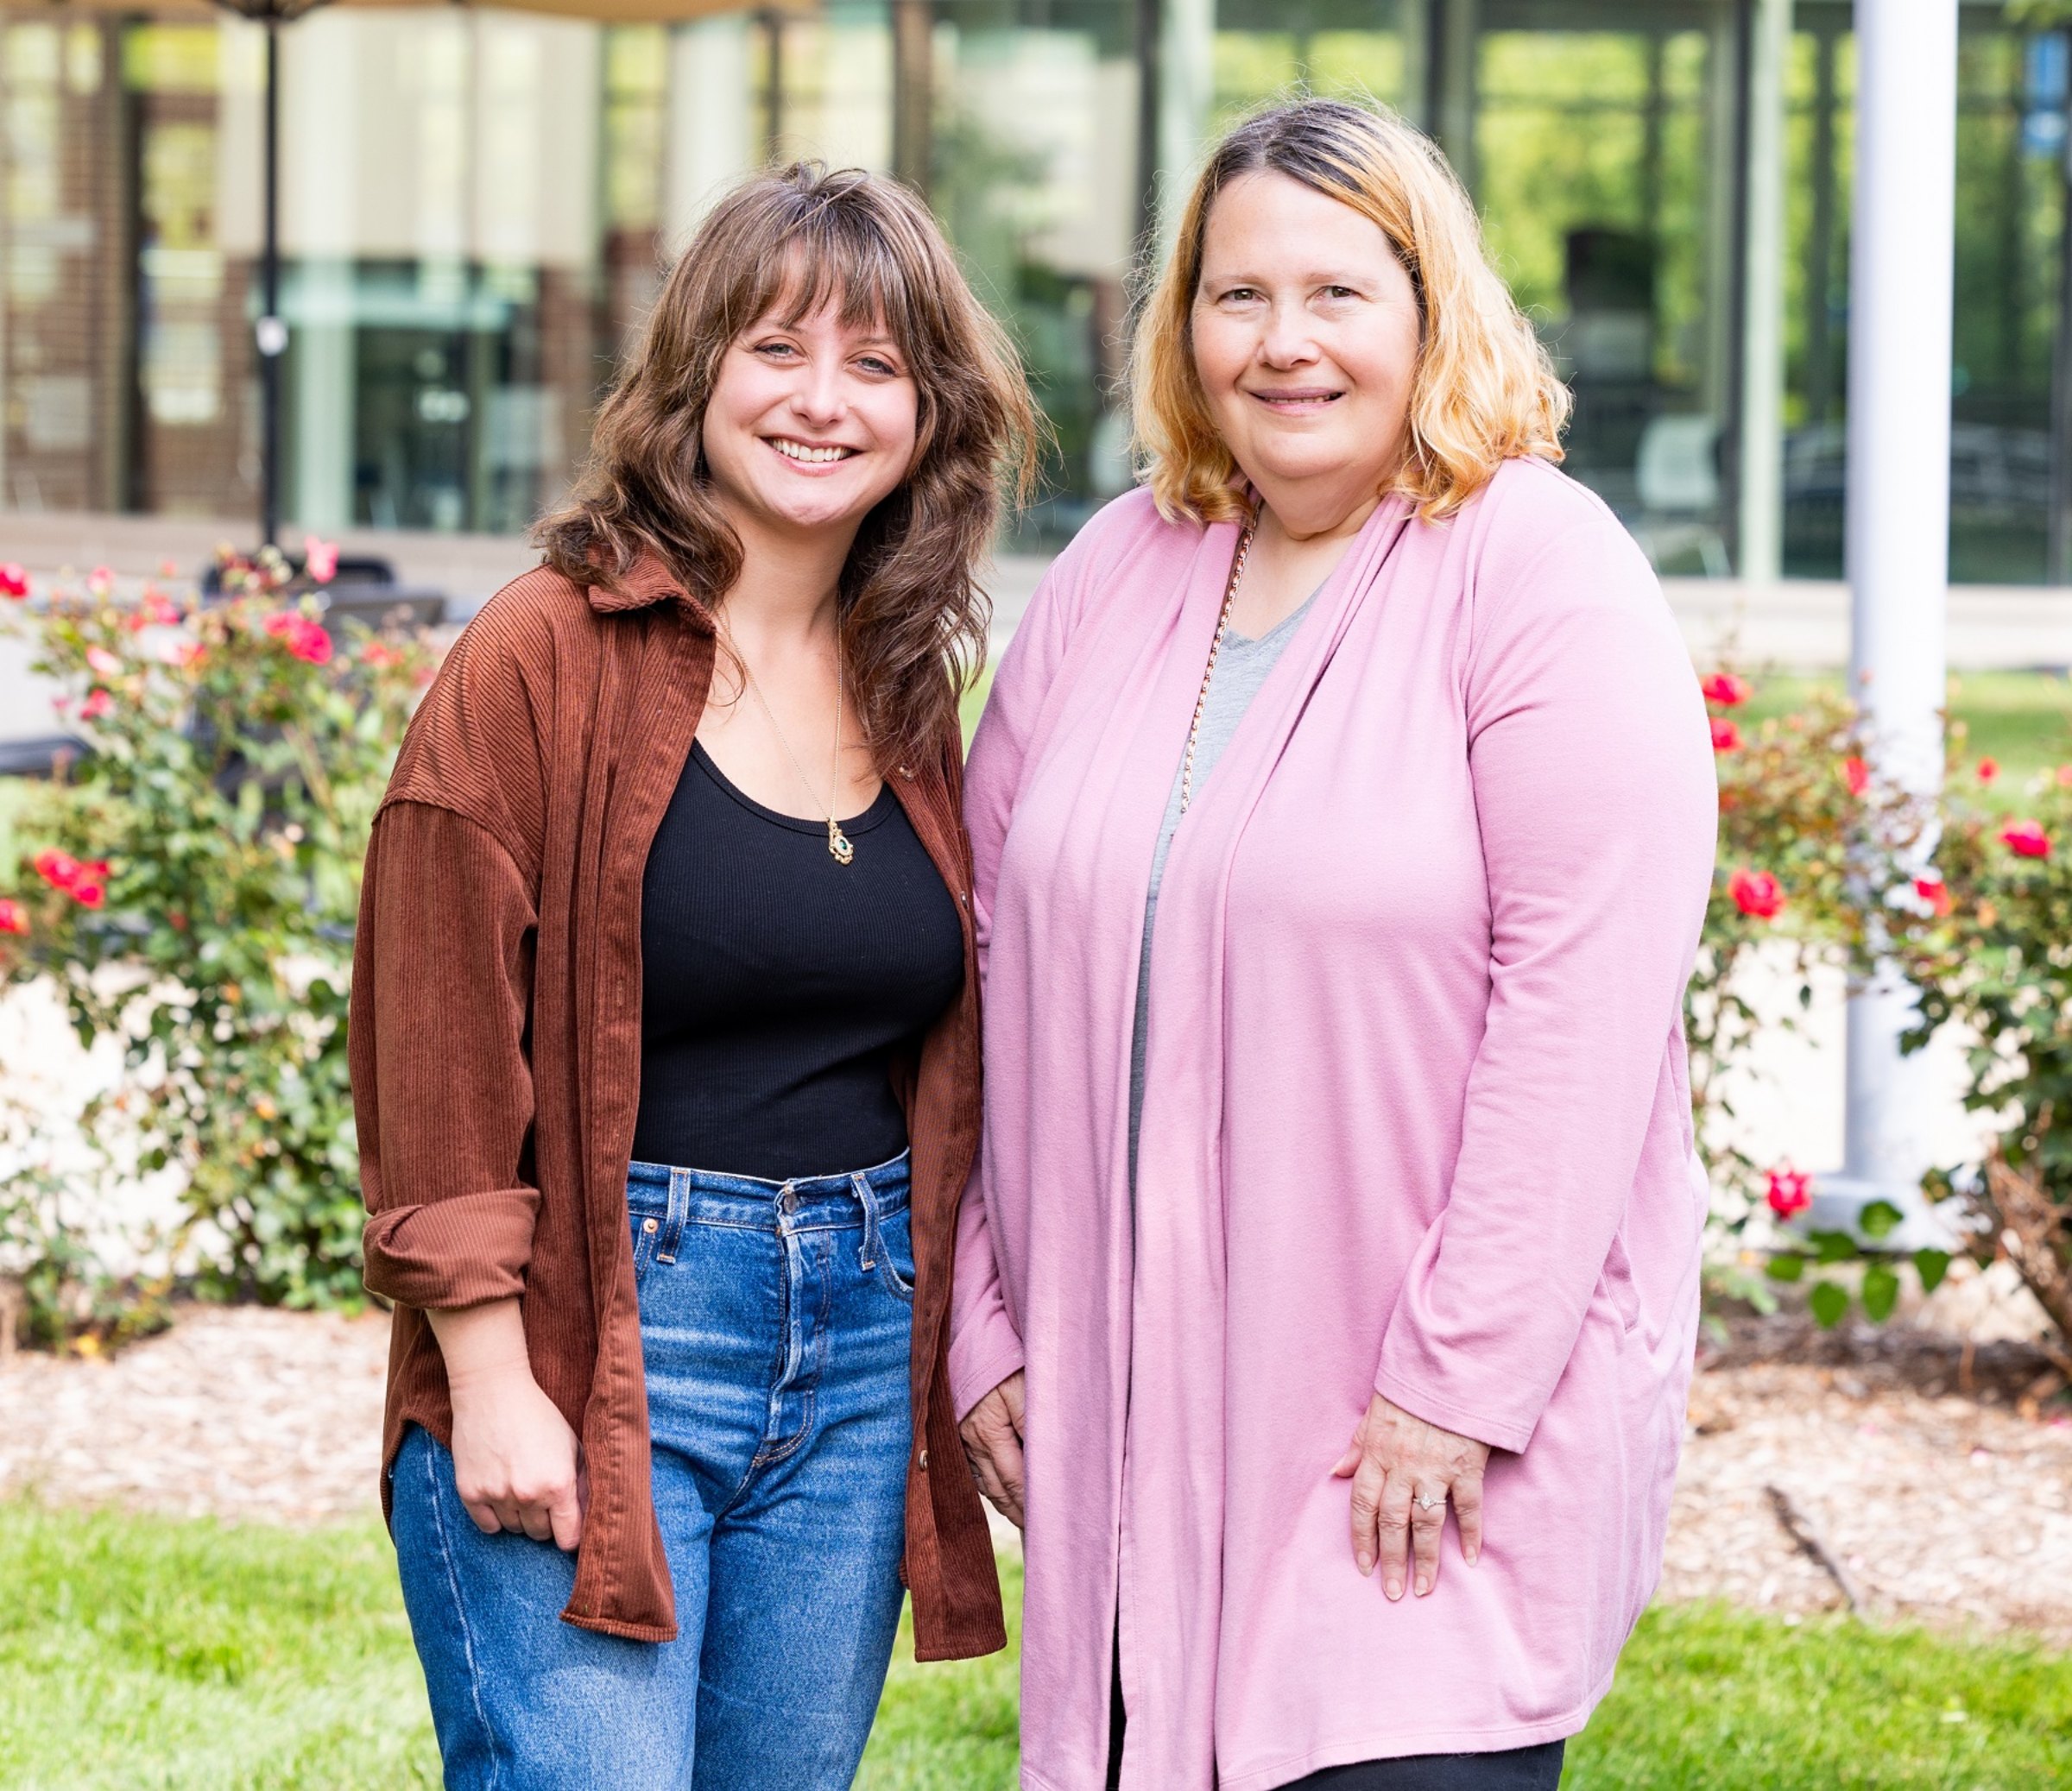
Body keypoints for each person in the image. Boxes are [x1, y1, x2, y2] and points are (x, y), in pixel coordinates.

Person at [951, 98, 1717, 1791]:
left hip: (1412, 1454)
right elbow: (980, 950)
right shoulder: (1118, 574)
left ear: (1429, 310)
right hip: (1134, 1440)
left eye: (1337, 294)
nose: (1284, 343)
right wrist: (982, 1317)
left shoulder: (1536, 576)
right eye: (1238, 297)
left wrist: (1459, 1385)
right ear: (1183, 330)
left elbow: (1580, 1021)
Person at [351, 162, 1033, 1790]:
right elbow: (433, 1033)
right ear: (696, 374)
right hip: (604, 1332)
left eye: (877, 365)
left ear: (932, 416)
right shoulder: (543, 651)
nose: (823, 401)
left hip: (860, 1356)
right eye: (778, 351)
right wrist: (492, 1382)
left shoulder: (907, 679)